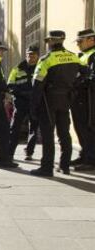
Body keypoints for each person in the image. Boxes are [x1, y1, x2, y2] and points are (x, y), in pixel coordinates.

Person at [30, 31, 85, 176]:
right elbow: (85, 74)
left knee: (48, 135)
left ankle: (47, 168)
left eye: (48, 41)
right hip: (66, 99)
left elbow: (37, 84)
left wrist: (33, 106)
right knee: (64, 133)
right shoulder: (74, 57)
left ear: (51, 42)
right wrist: (72, 87)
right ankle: (64, 165)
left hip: (48, 101)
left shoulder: (46, 59)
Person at [8, 46, 40, 160]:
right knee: (15, 128)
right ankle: (10, 152)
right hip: (20, 103)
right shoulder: (17, 69)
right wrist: (22, 93)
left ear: (37, 56)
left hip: (35, 103)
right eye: (29, 54)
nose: (31, 57)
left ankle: (29, 151)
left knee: (34, 129)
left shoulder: (40, 68)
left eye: (33, 54)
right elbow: (10, 85)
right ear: (26, 55)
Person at [71, 29, 95, 171]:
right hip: (78, 97)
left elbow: (92, 78)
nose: (78, 44)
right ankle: (84, 154)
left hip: (89, 98)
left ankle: (91, 159)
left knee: (88, 128)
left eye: (80, 41)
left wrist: (76, 83)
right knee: (79, 127)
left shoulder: (93, 55)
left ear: (91, 40)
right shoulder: (82, 55)